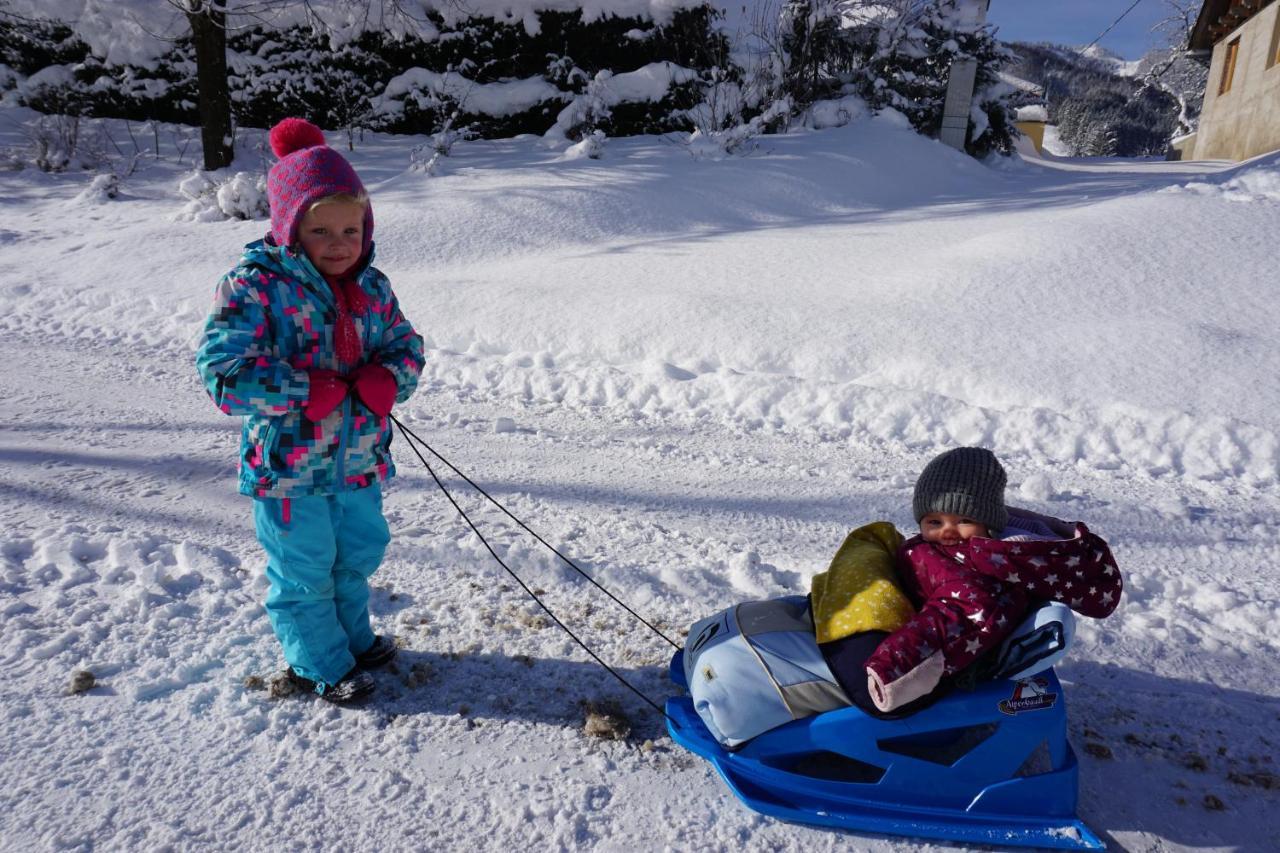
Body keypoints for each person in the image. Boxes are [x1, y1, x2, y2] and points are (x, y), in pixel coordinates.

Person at [196, 118, 425, 704]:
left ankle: (351, 638)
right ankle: (319, 662)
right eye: (321, 230)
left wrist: (389, 379)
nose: (340, 243)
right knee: (304, 570)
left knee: (358, 555)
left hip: (359, 460)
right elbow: (223, 375)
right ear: (289, 227)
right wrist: (298, 390)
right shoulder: (254, 287)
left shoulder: (372, 286)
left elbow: (406, 346)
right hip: (289, 470)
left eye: (351, 228)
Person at [859, 446, 1123, 713]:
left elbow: (958, 615)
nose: (948, 530)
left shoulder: (982, 573)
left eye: (963, 520)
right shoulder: (955, 550)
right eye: (934, 521)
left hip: (941, 656)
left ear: (989, 523)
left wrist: (893, 666)